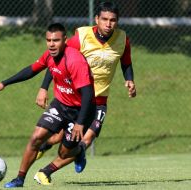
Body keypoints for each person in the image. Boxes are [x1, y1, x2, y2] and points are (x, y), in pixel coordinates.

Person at [33, 1, 137, 185]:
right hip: (76, 99)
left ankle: (45, 172)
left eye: (113, 20)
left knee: (86, 139)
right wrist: (44, 87)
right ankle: (47, 145)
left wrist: (129, 79)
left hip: (100, 100)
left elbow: (126, 62)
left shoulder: (123, 39)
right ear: (97, 19)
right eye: (104, 19)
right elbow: (56, 59)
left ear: (117, 21)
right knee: (64, 136)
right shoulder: (82, 36)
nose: (108, 23)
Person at [0, 23, 96, 188]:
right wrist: (5, 83)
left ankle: (79, 151)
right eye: (48, 40)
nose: (51, 44)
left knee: (65, 152)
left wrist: (80, 123)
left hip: (81, 110)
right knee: (36, 137)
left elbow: (88, 95)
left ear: (65, 40)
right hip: (60, 105)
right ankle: (19, 179)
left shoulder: (75, 61)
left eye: (56, 40)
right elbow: (31, 70)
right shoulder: (49, 56)